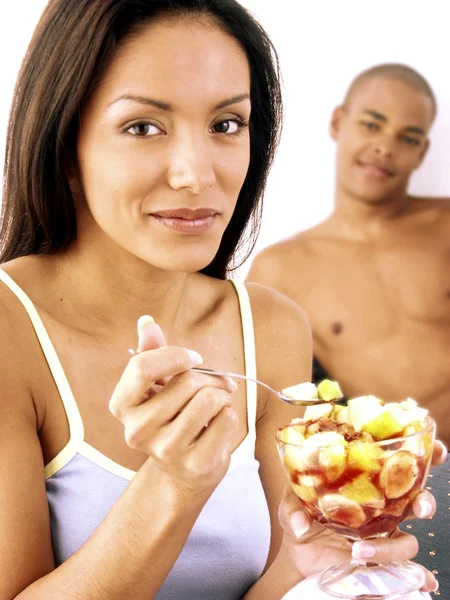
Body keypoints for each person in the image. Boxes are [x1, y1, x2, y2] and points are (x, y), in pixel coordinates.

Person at [0, 4, 444, 597]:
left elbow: (267, 588)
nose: (196, 173)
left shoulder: (272, 326)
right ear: (65, 143)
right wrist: (174, 484)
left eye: (227, 124)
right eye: (143, 127)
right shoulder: (9, 329)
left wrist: (311, 567)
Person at [247, 63, 450, 448]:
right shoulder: (282, 268)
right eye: (372, 125)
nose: (385, 147)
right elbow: (270, 410)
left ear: (422, 152)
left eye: (408, 138)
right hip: (381, 481)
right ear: (339, 122)